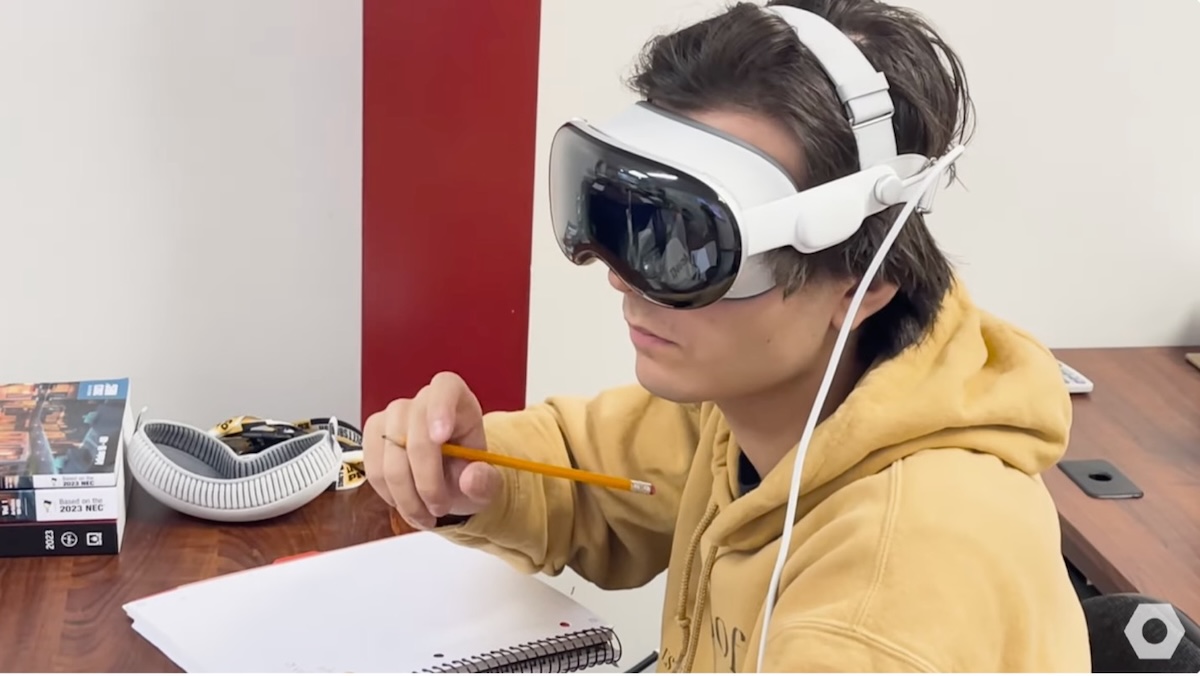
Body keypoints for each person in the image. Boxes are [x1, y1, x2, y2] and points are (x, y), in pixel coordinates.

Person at [362, 0, 1092, 671]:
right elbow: (593, 470)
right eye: (626, 221)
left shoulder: (891, 600)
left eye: (686, 244)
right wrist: (470, 471)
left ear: (861, 282)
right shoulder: (764, 403)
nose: (623, 279)